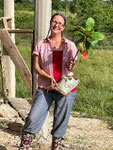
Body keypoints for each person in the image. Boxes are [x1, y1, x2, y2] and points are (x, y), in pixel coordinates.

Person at [19, 12, 78, 150]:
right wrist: (48, 77)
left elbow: (72, 65)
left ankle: (56, 146)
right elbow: (36, 68)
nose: (56, 25)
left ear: (63, 27)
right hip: (45, 87)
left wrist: (71, 65)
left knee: (60, 122)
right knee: (33, 117)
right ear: (51, 23)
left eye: (60, 23)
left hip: (65, 89)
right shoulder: (41, 44)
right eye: (54, 21)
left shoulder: (70, 45)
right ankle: (25, 145)